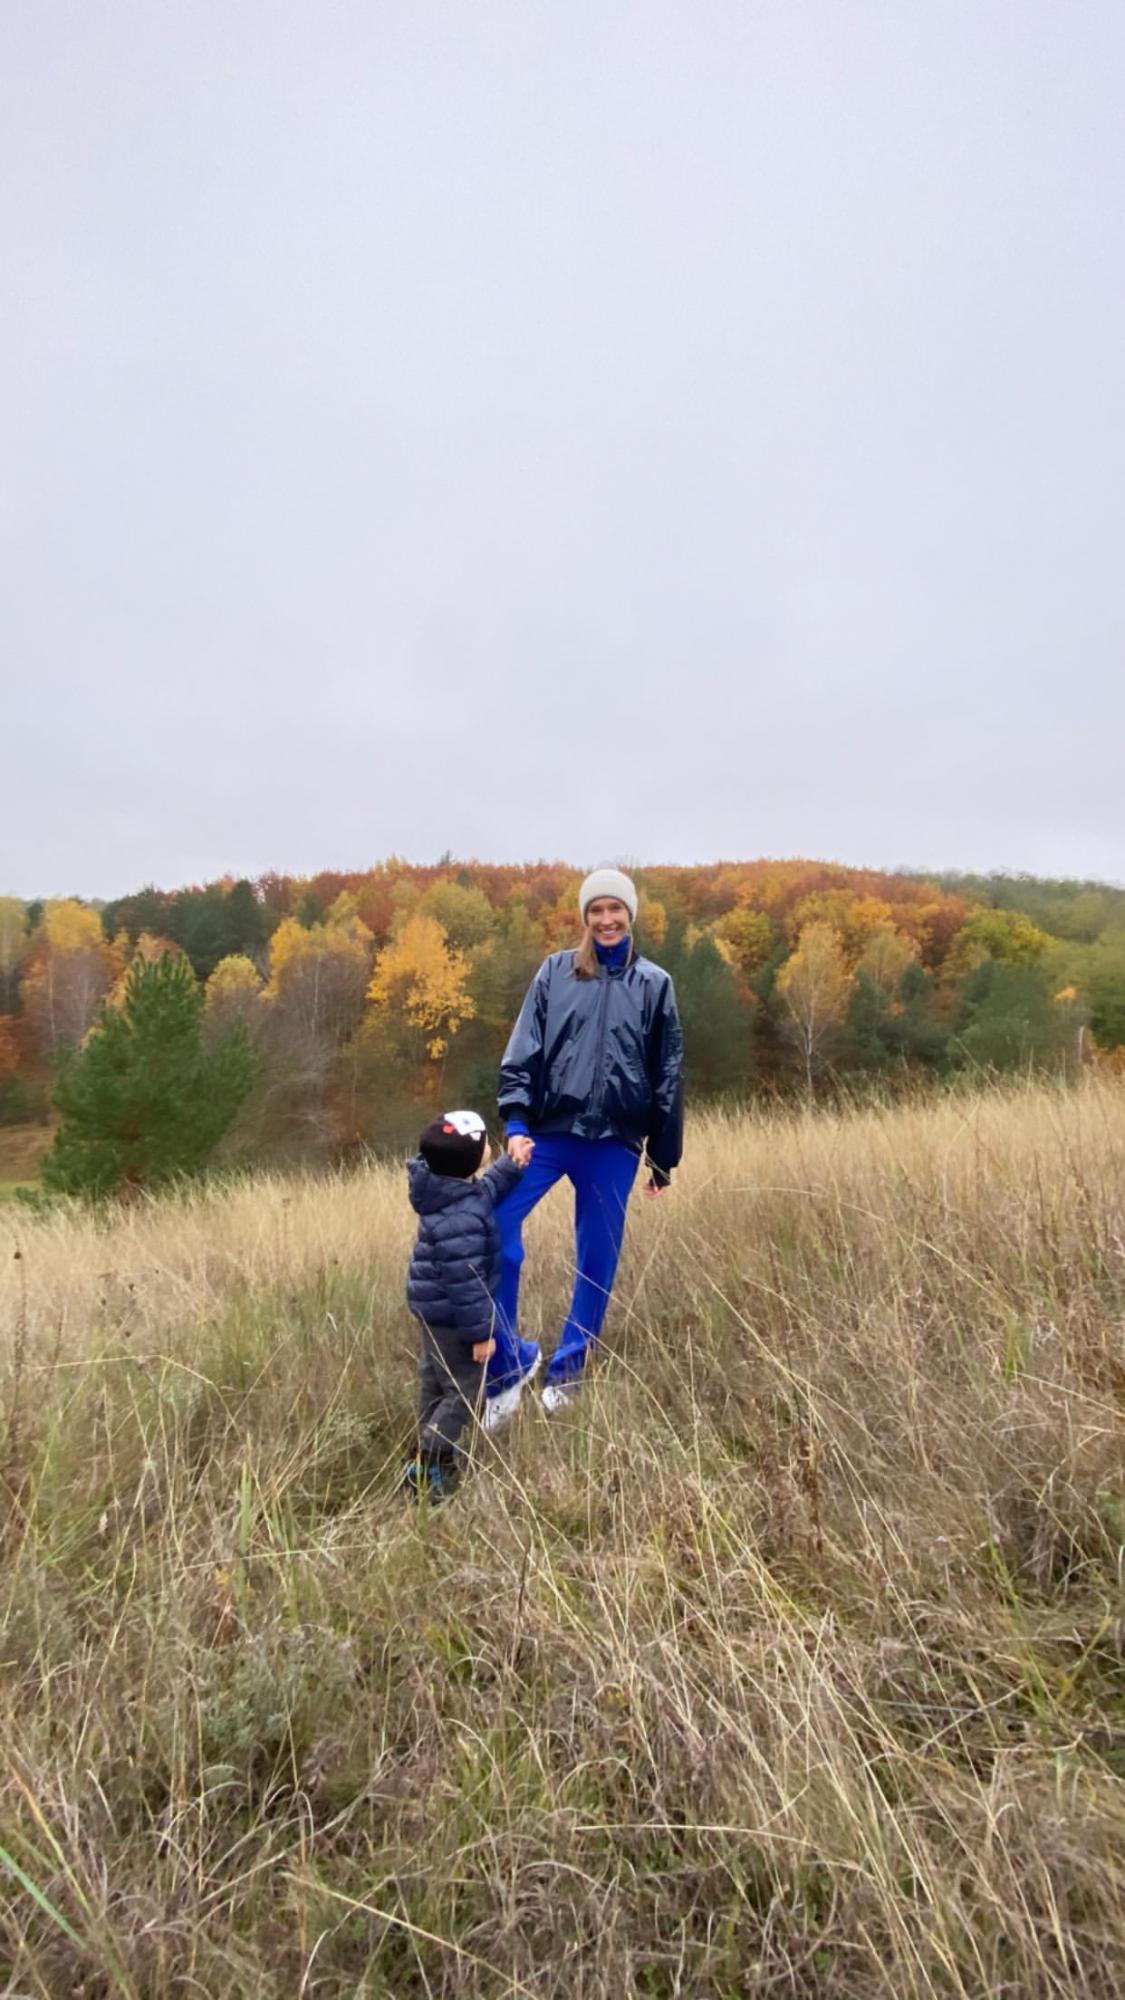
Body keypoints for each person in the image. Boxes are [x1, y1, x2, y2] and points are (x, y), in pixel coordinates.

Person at [484, 867, 683, 1427]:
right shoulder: (554, 973)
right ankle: (507, 1366)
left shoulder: (655, 985)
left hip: (614, 1143)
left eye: (615, 909)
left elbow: (667, 1073)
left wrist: (663, 1156)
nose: (606, 920)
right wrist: (517, 1122)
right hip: (546, 1133)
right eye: (596, 910)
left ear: (631, 914)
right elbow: (522, 1050)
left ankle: (568, 1370)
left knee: (598, 1259)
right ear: (584, 917)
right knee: (491, 1224)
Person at [404, 1108, 530, 1501]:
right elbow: (467, 1284)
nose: (491, 1148)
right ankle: (428, 1460)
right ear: (469, 1160)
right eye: (485, 1145)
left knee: (434, 1383)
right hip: (453, 1317)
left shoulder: (447, 1191)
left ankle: (431, 1454)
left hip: (431, 1310)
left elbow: (483, 1191)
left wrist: (511, 1165)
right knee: (465, 1393)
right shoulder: (462, 1218)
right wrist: (482, 1335)